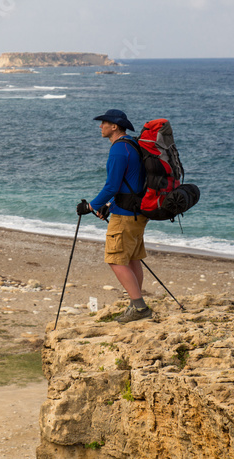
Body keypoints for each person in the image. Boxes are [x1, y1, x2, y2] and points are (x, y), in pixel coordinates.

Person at [77, 109, 151, 323]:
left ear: (115, 126)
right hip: (137, 212)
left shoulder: (119, 150)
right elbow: (131, 183)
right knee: (132, 259)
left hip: (125, 216)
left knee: (115, 260)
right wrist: (109, 205)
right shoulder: (132, 145)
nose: (100, 126)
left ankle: (139, 308)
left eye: (104, 123)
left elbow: (112, 185)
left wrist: (91, 206)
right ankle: (135, 306)